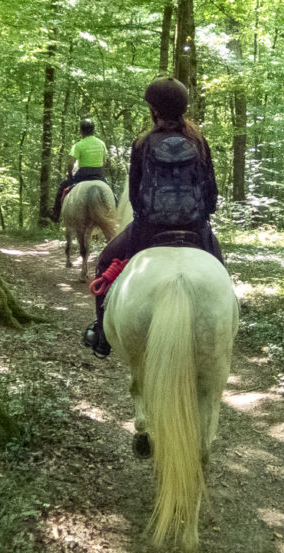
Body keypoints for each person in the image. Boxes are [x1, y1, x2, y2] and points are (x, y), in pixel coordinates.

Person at [83, 76, 223, 358]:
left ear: (154, 109)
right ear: (182, 107)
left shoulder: (143, 143)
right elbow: (211, 193)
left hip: (149, 230)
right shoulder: (199, 141)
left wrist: (147, 216)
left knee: (104, 263)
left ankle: (102, 334)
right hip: (196, 229)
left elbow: (135, 195)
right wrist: (202, 213)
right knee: (221, 272)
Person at [52, 117, 107, 223]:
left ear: (81, 130)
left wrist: (70, 176)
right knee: (111, 193)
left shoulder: (78, 145)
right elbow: (104, 162)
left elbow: (71, 163)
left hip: (83, 175)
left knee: (62, 188)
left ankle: (56, 215)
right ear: (93, 130)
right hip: (99, 174)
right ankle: (117, 212)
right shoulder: (101, 143)